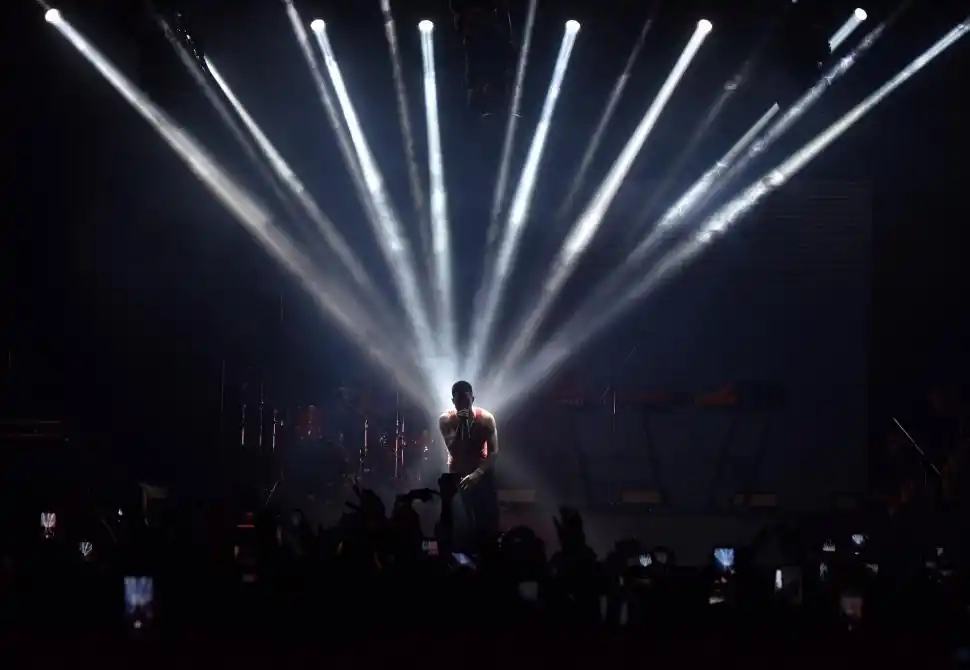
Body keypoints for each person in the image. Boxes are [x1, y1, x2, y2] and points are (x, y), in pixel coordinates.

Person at [438, 381, 500, 547]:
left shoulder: (486, 419)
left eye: (466, 399)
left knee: (486, 518)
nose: (462, 404)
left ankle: (487, 548)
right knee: (460, 519)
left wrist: (478, 473)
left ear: (473, 398)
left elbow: (494, 452)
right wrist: (462, 425)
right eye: (459, 401)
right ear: (453, 401)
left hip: (481, 471)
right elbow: (454, 450)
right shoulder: (446, 420)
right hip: (458, 472)